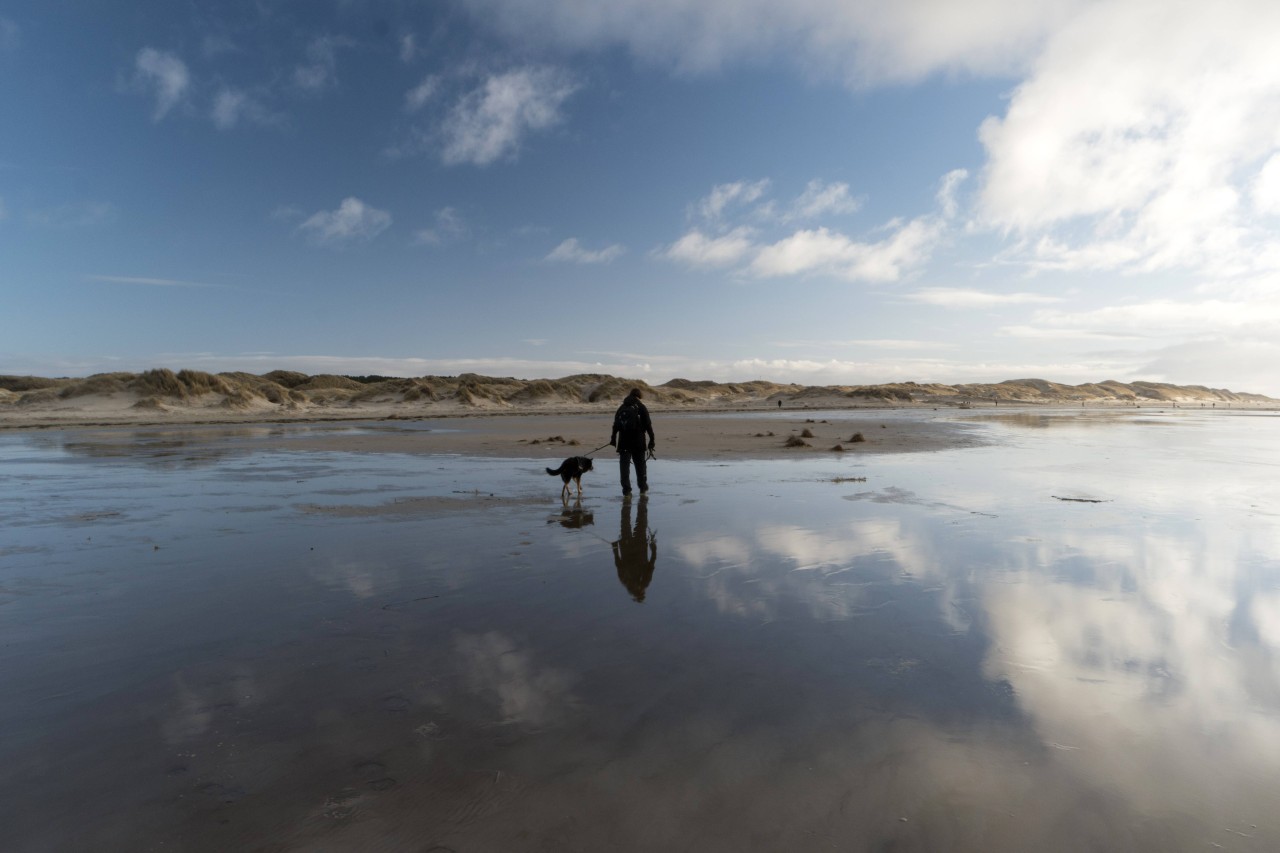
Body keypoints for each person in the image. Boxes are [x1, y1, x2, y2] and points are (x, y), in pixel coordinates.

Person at [609, 387, 655, 496]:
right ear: (639, 396)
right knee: (640, 466)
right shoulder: (641, 407)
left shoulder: (622, 407)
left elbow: (615, 425)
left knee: (624, 468)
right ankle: (643, 489)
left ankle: (627, 491)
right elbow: (648, 425)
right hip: (638, 441)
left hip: (623, 442)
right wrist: (652, 440)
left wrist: (613, 439)